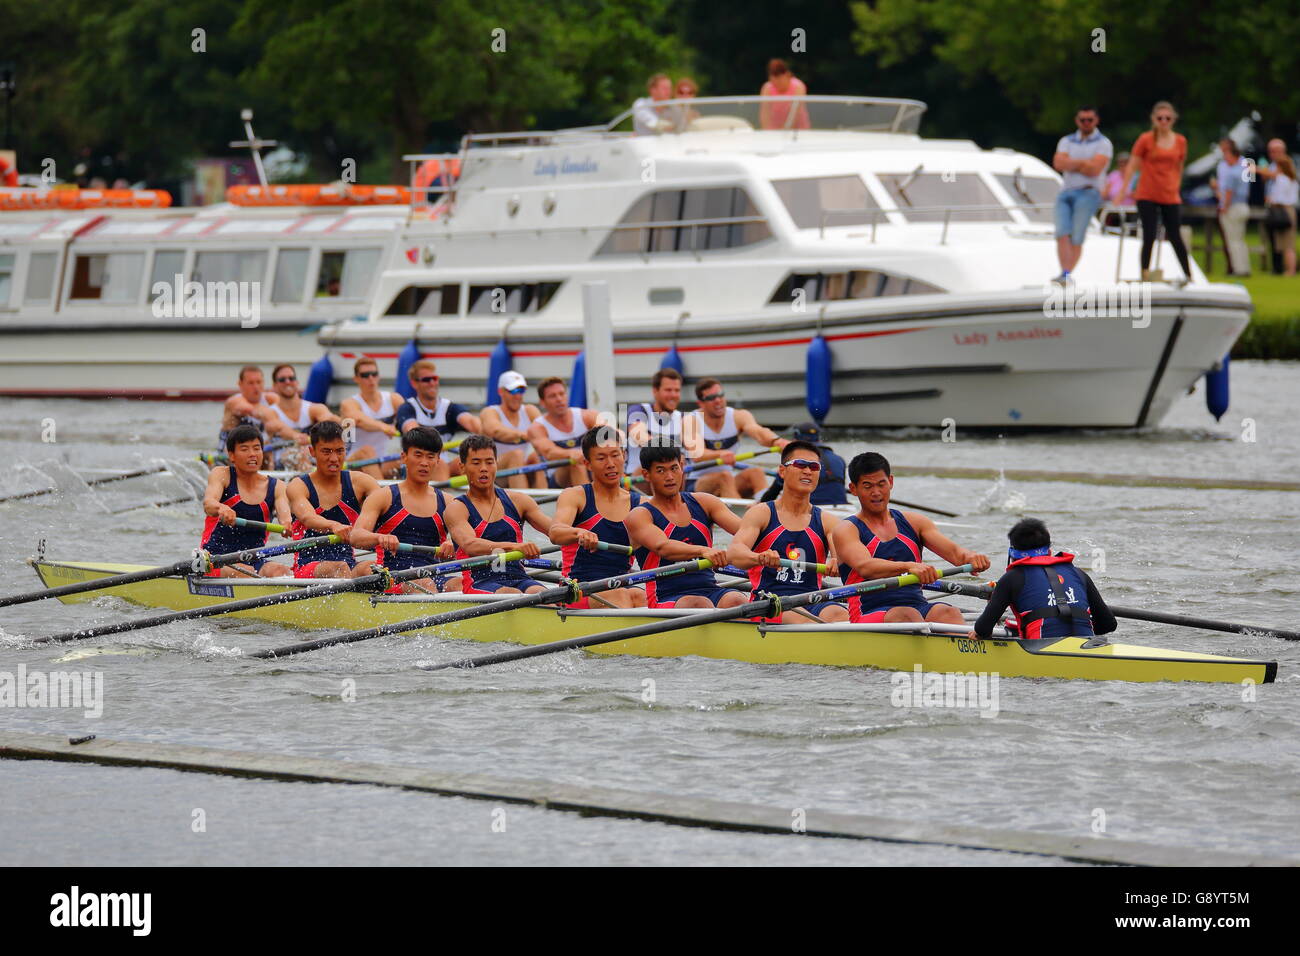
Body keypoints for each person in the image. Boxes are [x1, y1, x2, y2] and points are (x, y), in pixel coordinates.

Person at [832, 452, 990, 625]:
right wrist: (908, 566)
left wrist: (971, 557)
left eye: (881, 484)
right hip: (868, 612)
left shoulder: (915, 522)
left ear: (891, 482)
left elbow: (956, 554)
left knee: (948, 612)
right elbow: (866, 567)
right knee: (907, 616)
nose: (876, 492)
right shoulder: (847, 529)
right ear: (854, 489)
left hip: (915, 607)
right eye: (867, 486)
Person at [728, 441, 849, 624]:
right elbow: (735, 553)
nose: (808, 471)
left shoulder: (828, 521)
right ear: (782, 471)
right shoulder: (761, 513)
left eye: (814, 467)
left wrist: (839, 563)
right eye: (800, 464)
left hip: (813, 600)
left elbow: (843, 556)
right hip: (769, 601)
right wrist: (758, 557)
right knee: (800, 618)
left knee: (841, 616)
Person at [625, 444, 745, 609]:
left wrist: (766, 550)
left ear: (682, 467)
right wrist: (703, 551)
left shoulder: (705, 502)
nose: (670, 477)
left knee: (738, 600)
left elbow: (744, 531)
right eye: (660, 471)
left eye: (674, 468)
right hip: (664, 596)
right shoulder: (640, 515)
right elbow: (663, 547)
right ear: (647, 475)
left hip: (709, 589)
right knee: (699, 604)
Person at [548, 426, 647, 608]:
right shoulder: (575, 496)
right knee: (620, 596)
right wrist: (578, 533)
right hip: (577, 590)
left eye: (615, 455)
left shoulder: (640, 504)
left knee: (645, 597)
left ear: (624, 455)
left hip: (621, 587)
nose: (610, 463)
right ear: (587, 464)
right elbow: (555, 532)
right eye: (601, 458)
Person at [352, 426, 458, 594]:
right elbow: (356, 535)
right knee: (423, 583)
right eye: (418, 455)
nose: (424, 462)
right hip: (391, 575)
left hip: (433, 576)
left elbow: (470, 542)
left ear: (438, 461)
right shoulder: (383, 496)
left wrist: (455, 545)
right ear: (404, 457)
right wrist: (380, 537)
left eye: (430, 457)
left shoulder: (449, 501)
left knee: (462, 585)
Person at [971, 517, 1117, 641]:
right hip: (1088, 648)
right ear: (1049, 549)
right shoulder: (1078, 573)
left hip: (1041, 652)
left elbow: (982, 629)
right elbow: (1108, 624)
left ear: (1013, 553)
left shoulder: (1012, 578)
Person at [443, 435, 552, 595]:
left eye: (489, 462)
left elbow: (554, 530)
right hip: (480, 582)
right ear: (462, 467)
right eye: (476, 463)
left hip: (519, 577)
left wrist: (580, 533)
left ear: (496, 464)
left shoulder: (519, 501)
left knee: (545, 595)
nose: (484, 468)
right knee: (513, 595)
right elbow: (470, 545)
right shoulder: (457, 508)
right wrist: (515, 546)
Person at [286, 420, 386, 578]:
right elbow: (308, 517)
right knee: (339, 568)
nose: (334, 458)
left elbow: (388, 506)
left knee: (374, 569)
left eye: (339, 451)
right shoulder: (298, 486)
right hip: (308, 566)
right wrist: (333, 526)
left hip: (348, 564)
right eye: (326, 451)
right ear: (312, 451)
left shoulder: (361, 483)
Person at [200, 424, 293, 578]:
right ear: (231, 455)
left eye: (257, 448)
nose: (252, 454)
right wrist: (221, 508)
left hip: (254, 559)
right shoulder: (221, 475)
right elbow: (209, 503)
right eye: (244, 449)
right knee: (246, 572)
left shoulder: (278, 486)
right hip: (215, 559)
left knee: (282, 571)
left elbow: (285, 516)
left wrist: (287, 523)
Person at [1123, 102, 1192, 282]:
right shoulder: (1146, 139)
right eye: (1160, 118)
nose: (1163, 121)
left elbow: (1179, 167)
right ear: (1154, 119)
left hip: (1169, 194)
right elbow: (1133, 165)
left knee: (1175, 235)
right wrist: (1122, 192)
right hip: (1147, 193)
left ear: (1173, 120)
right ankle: (1145, 272)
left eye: (1167, 118)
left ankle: (1188, 274)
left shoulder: (1180, 141)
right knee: (1149, 235)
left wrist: (1176, 187)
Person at [686, 377, 787, 499]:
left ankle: (766, 509)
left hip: (728, 480)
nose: (718, 400)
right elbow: (696, 454)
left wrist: (777, 441)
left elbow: (758, 432)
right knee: (724, 477)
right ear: (700, 403)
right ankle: (738, 518)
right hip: (696, 483)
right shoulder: (690, 420)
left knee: (756, 473)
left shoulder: (739, 416)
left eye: (720, 395)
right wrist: (720, 454)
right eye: (711, 398)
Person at [1051, 106, 1112, 283]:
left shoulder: (1104, 143)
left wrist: (1071, 163)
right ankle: (1064, 272)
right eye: (1082, 120)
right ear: (1077, 121)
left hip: (1088, 193)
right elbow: (1058, 163)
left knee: (1077, 236)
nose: (1086, 123)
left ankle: (1067, 273)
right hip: (1065, 192)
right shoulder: (1067, 140)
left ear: (1096, 121)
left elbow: (1094, 170)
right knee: (1062, 233)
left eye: (1089, 120)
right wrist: (1084, 163)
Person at [394, 359, 482, 482]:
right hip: (417, 466)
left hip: (442, 464)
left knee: (473, 461)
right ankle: (443, 499)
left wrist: (488, 431)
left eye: (434, 378)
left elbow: (474, 424)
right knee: (439, 465)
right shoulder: (407, 408)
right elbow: (415, 434)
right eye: (426, 380)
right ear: (414, 384)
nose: (432, 383)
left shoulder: (449, 408)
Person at [526, 376, 601, 487]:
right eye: (552, 396)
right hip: (558, 479)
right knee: (574, 462)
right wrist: (572, 453)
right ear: (542, 402)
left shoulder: (587, 416)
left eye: (562, 394)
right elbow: (549, 452)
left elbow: (610, 434)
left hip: (589, 469)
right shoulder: (537, 428)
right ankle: (589, 502)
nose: (559, 399)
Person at [216, 365, 297, 463]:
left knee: (274, 450)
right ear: (240, 384)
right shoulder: (234, 402)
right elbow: (261, 414)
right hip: (229, 454)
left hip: (259, 450)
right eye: (251, 383)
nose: (256, 387)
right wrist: (296, 436)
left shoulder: (271, 399)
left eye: (259, 382)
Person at [338, 358, 404, 478]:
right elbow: (360, 420)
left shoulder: (394, 399)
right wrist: (383, 427)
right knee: (367, 451)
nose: (371, 378)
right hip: (353, 461)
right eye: (365, 375)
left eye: (374, 374)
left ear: (378, 376)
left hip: (383, 461)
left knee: (407, 456)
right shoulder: (349, 403)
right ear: (356, 379)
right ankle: (381, 494)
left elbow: (408, 421)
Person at [267, 364, 340, 469]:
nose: (288, 382)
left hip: (310, 457)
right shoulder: (270, 412)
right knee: (299, 454)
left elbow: (329, 419)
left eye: (291, 378)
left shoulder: (313, 408)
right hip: (283, 462)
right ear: (274, 385)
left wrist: (342, 423)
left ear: (297, 382)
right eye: (282, 379)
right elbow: (279, 428)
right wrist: (296, 437)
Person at [481, 370, 545, 488]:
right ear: (501, 391)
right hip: (493, 469)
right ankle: (521, 501)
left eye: (521, 391)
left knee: (536, 457)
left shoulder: (530, 410)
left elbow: (546, 431)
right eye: (513, 391)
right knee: (516, 455)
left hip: (520, 466)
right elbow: (495, 430)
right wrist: (525, 435)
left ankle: (544, 499)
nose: (518, 396)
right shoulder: (490, 412)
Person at [760, 422, 846, 506]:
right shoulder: (839, 459)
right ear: (819, 438)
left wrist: (759, 505)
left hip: (813, 508)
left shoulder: (795, 460)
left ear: (795, 437)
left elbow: (773, 493)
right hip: (843, 507)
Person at [626, 367, 686, 479]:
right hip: (638, 479)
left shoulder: (683, 417)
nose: (673, 395)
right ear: (655, 391)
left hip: (672, 477)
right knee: (661, 464)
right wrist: (669, 453)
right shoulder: (639, 410)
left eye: (677, 390)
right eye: (668, 390)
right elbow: (638, 436)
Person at [1256, 138, 1298, 277]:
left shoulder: (1282, 177)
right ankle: (1282, 269)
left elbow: (1277, 193)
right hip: (1281, 210)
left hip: (1284, 209)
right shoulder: (1288, 177)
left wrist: (1255, 169)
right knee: (1281, 243)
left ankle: (1290, 270)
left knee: (1287, 244)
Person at [1213, 138, 1252, 277]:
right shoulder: (1245, 168)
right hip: (1244, 205)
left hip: (1233, 207)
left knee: (1233, 240)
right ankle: (1245, 267)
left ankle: (1238, 269)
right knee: (1240, 240)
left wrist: (1224, 206)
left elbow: (1229, 192)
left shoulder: (1232, 172)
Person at [759, 59, 810, 131]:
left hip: (798, 130)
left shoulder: (798, 86)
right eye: (773, 81)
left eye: (779, 80)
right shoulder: (767, 88)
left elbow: (795, 112)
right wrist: (767, 130)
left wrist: (785, 129)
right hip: (774, 131)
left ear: (787, 75)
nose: (776, 84)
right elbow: (765, 113)